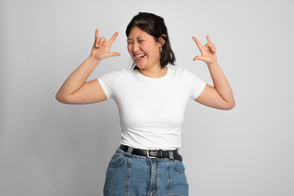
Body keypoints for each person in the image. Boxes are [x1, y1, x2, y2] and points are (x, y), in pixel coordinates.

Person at [56, 12, 235, 196]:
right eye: (129, 42)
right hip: (126, 170)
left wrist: (213, 64)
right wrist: (93, 59)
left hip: (171, 172)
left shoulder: (183, 79)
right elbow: (65, 95)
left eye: (140, 40)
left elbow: (226, 101)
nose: (134, 48)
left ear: (161, 41)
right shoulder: (120, 80)